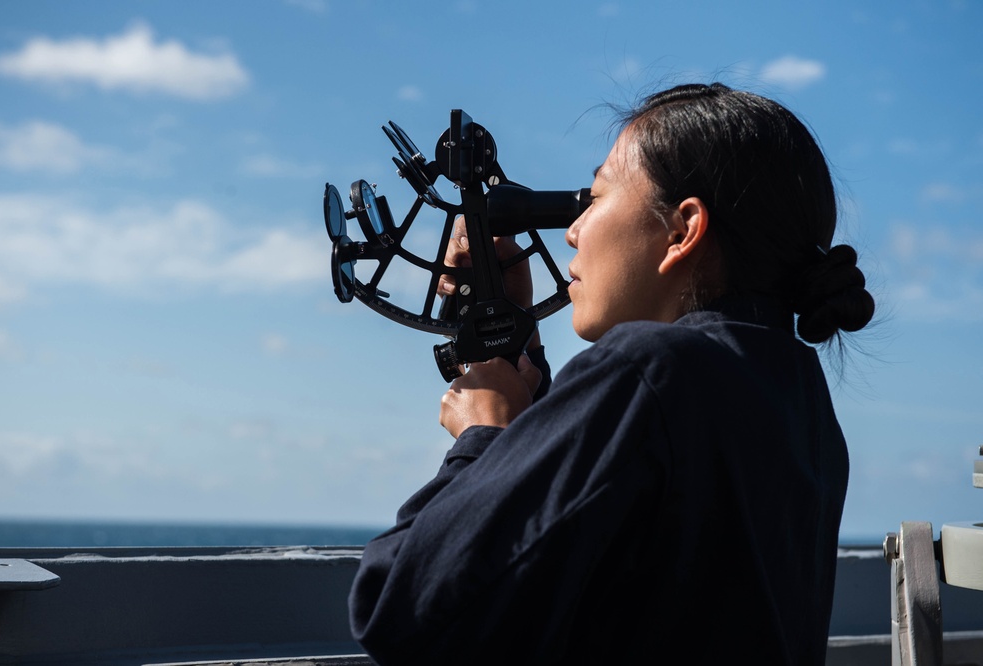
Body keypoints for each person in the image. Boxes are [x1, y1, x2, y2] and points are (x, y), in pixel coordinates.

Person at [347, 82, 875, 665]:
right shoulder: (798, 399)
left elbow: (401, 607)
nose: (572, 230)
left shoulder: (648, 372)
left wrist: (485, 441)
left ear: (682, 231)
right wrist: (518, 342)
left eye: (594, 198)